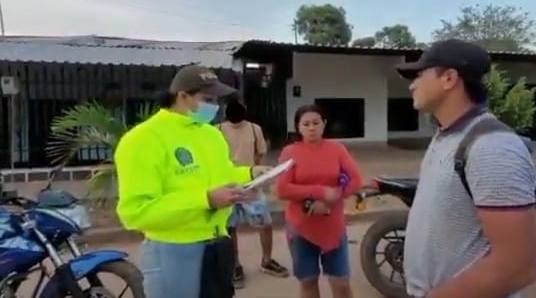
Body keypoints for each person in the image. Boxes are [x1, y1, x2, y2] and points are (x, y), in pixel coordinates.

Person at [395, 39, 536, 298]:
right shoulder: (446, 136)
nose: (412, 84)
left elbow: (515, 268)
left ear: (449, 78)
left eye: (419, 75)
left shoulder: (492, 147)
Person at [114, 64, 270, 298]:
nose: (214, 106)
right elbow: (136, 211)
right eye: (207, 99)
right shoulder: (143, 140)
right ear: (182, 96)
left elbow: (223, 174)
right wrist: (205, 200)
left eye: (217, 100)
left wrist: (251, 175)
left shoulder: (210, 134)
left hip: (219, 244)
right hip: (174, 250)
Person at [276, 104, 363, 298]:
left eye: (316, 122)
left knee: (341, 284)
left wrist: (331, 201)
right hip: (301, 229)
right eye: (305, 124)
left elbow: (356, 180)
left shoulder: (337, 149)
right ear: (298, 127)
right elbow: (282, 189)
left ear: (324, 124)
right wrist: (321, 191)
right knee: (308, 283)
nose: (311, 127)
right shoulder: (290, 152)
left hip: (333, 226)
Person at [218, 100, 290, 288]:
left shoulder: (253, 129)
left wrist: (260, 180)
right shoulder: (217, 130)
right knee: (229, 228)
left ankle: (267, 260)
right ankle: (235, 266)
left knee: (264, 224)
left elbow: (260, 155)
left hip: (252, 186)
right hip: (228, 187)